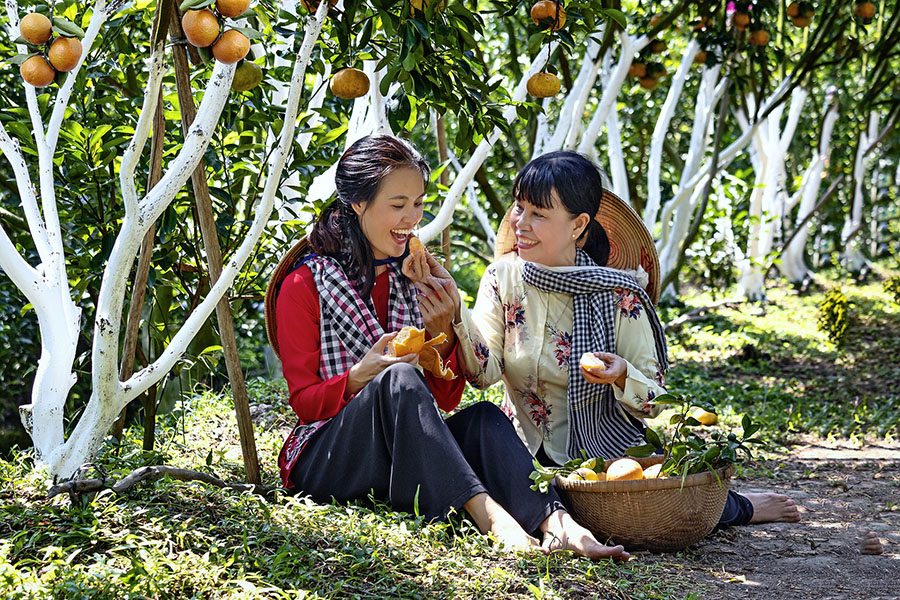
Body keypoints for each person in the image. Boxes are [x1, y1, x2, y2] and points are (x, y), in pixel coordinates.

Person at [272, 135, 628, 559]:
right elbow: (306, 405)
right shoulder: (303, 284)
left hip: (399, 455)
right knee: (398, 378)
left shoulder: (413, 276)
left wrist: (444, 329)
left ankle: (559, 524)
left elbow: (447, 399)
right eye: (397, 204)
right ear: (357, 204)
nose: (412, 218)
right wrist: (360, 375)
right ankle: (491, 518)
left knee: (484, 419)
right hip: (327, 457)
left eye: (419, 204)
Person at [442, 151, 801, 538]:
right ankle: (559, 511)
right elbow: (485, 373)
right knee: (483, 437)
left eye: (539, 214)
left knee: (649, 503)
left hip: (605, 454)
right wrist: (456, 314)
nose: (521, 223)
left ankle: (736, 507)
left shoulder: (618, 294)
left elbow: (654, 400)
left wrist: (622, 375)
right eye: (519, 207)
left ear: (578, 225)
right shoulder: (501, 279)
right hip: (524, 451)